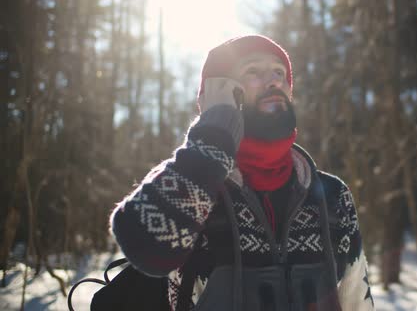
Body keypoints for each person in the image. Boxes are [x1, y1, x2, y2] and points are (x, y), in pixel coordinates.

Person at [109, 35, 374, 311]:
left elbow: (357, 302)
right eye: (253, 71)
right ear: (220, 93)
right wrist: (213, 138)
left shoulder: (332, 196)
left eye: (279, 72)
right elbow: (145, 248)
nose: (273, 81)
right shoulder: (195, 185)